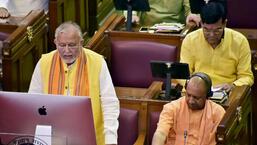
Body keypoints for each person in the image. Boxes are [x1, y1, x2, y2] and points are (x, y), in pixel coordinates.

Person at [28, 21, 119, 145]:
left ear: (81, 43)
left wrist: (110, 141)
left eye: (71, 45)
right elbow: (32, 102)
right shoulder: (44, 62)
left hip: (90, 138)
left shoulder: (97, 62)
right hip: (53, 138)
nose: (66, 51)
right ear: (55, 43)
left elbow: (110, 104)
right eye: (62, 45)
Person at [180, 1, 254, 92]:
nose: (211, 35)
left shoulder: (239, 41)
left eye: (217, 30)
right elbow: (183, 76)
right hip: (197, 92)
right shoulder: (190, 40)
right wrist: (196, 87)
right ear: (201, 24)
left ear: (224, 24)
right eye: (206, 30)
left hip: (227, 93)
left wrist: (233, 86)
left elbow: (247, 76)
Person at [152, 72, 225, 145]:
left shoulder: (218, 112)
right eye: (188, 95)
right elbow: (160, 133)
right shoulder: (172, 107)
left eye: (196, 98)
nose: (191, 101)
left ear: (207, 96)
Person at [125, 0, 191, 26]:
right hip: (147, 28)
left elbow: (190, 8)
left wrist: (191, 14)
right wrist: (132, 15)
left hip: (174, 29)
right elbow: (131, 4)